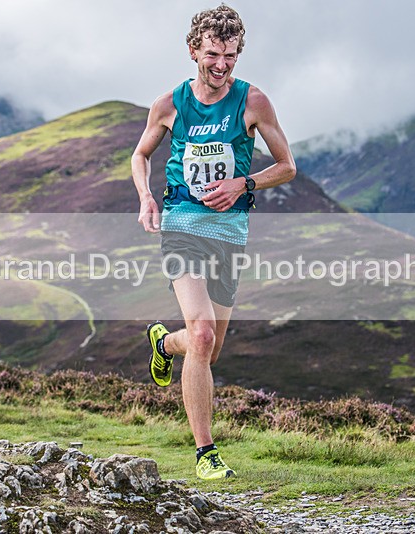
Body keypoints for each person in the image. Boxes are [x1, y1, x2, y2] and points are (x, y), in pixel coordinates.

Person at [131, 4, 296, 480]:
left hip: (230, 234)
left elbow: (287, 166)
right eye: (212, 54)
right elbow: (140, 156)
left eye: (230, 55)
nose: (220, 64)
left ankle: (164, 346)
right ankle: (206, 454)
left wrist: (243, 184)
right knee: (202, 335)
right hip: (182, 226)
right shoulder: (169, 104)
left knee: (208, 348)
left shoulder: (253, 103)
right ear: (192, 51)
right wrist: (145, 197)